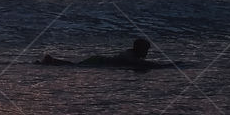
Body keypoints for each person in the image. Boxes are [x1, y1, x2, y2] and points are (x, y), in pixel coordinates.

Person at [38, 38, 166, 70]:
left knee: (74, 65)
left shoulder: (132, 55)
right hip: (98, 61)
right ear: (140, 48)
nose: (147, 52)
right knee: (74, 66)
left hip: (99, 61)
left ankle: (51, 61)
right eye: (146, 49)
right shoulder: (130, 56)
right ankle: (50, 61)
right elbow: (136, 63)